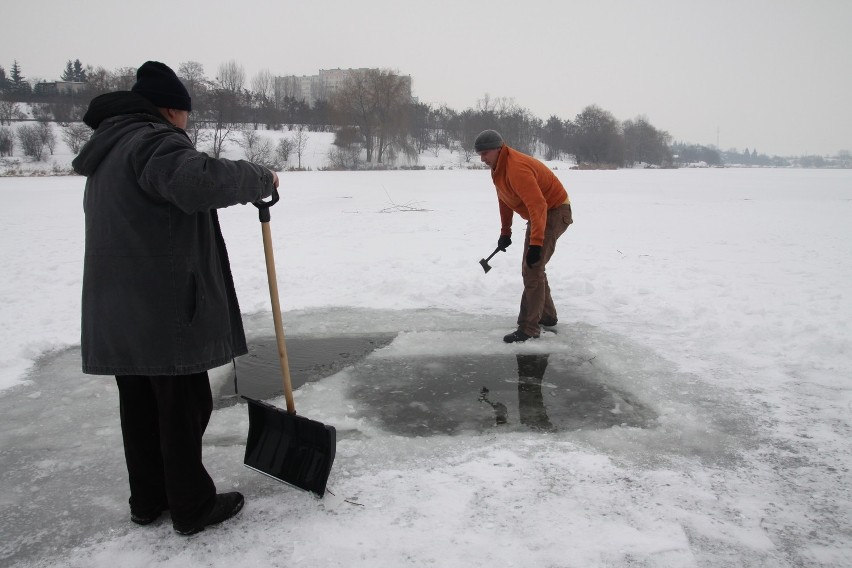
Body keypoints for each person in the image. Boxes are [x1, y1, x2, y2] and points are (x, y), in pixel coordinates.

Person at [72, 61, 279, 535]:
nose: (187, 121)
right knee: (182, 406)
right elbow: (197, 180)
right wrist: (259, 178)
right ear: (171, 108)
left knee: (141, 407)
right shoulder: (152, 140)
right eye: (185, 112)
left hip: (120, 309)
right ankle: (191, 506)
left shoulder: (110, 149)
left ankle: (149, 499)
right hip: (162, 308)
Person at [475, 129, 572, 343]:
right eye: (480, 154)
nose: (482, 159)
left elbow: (538, 204)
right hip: (541, 214)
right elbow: (504, 199)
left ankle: (529, 328)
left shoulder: (516, 168)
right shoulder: (497, 169)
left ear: (499, 149)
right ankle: (547, 316)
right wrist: (505, 232)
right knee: (535, 268)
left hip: (554, 212)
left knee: (532, 268)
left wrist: (536, 245)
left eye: (485, 153)